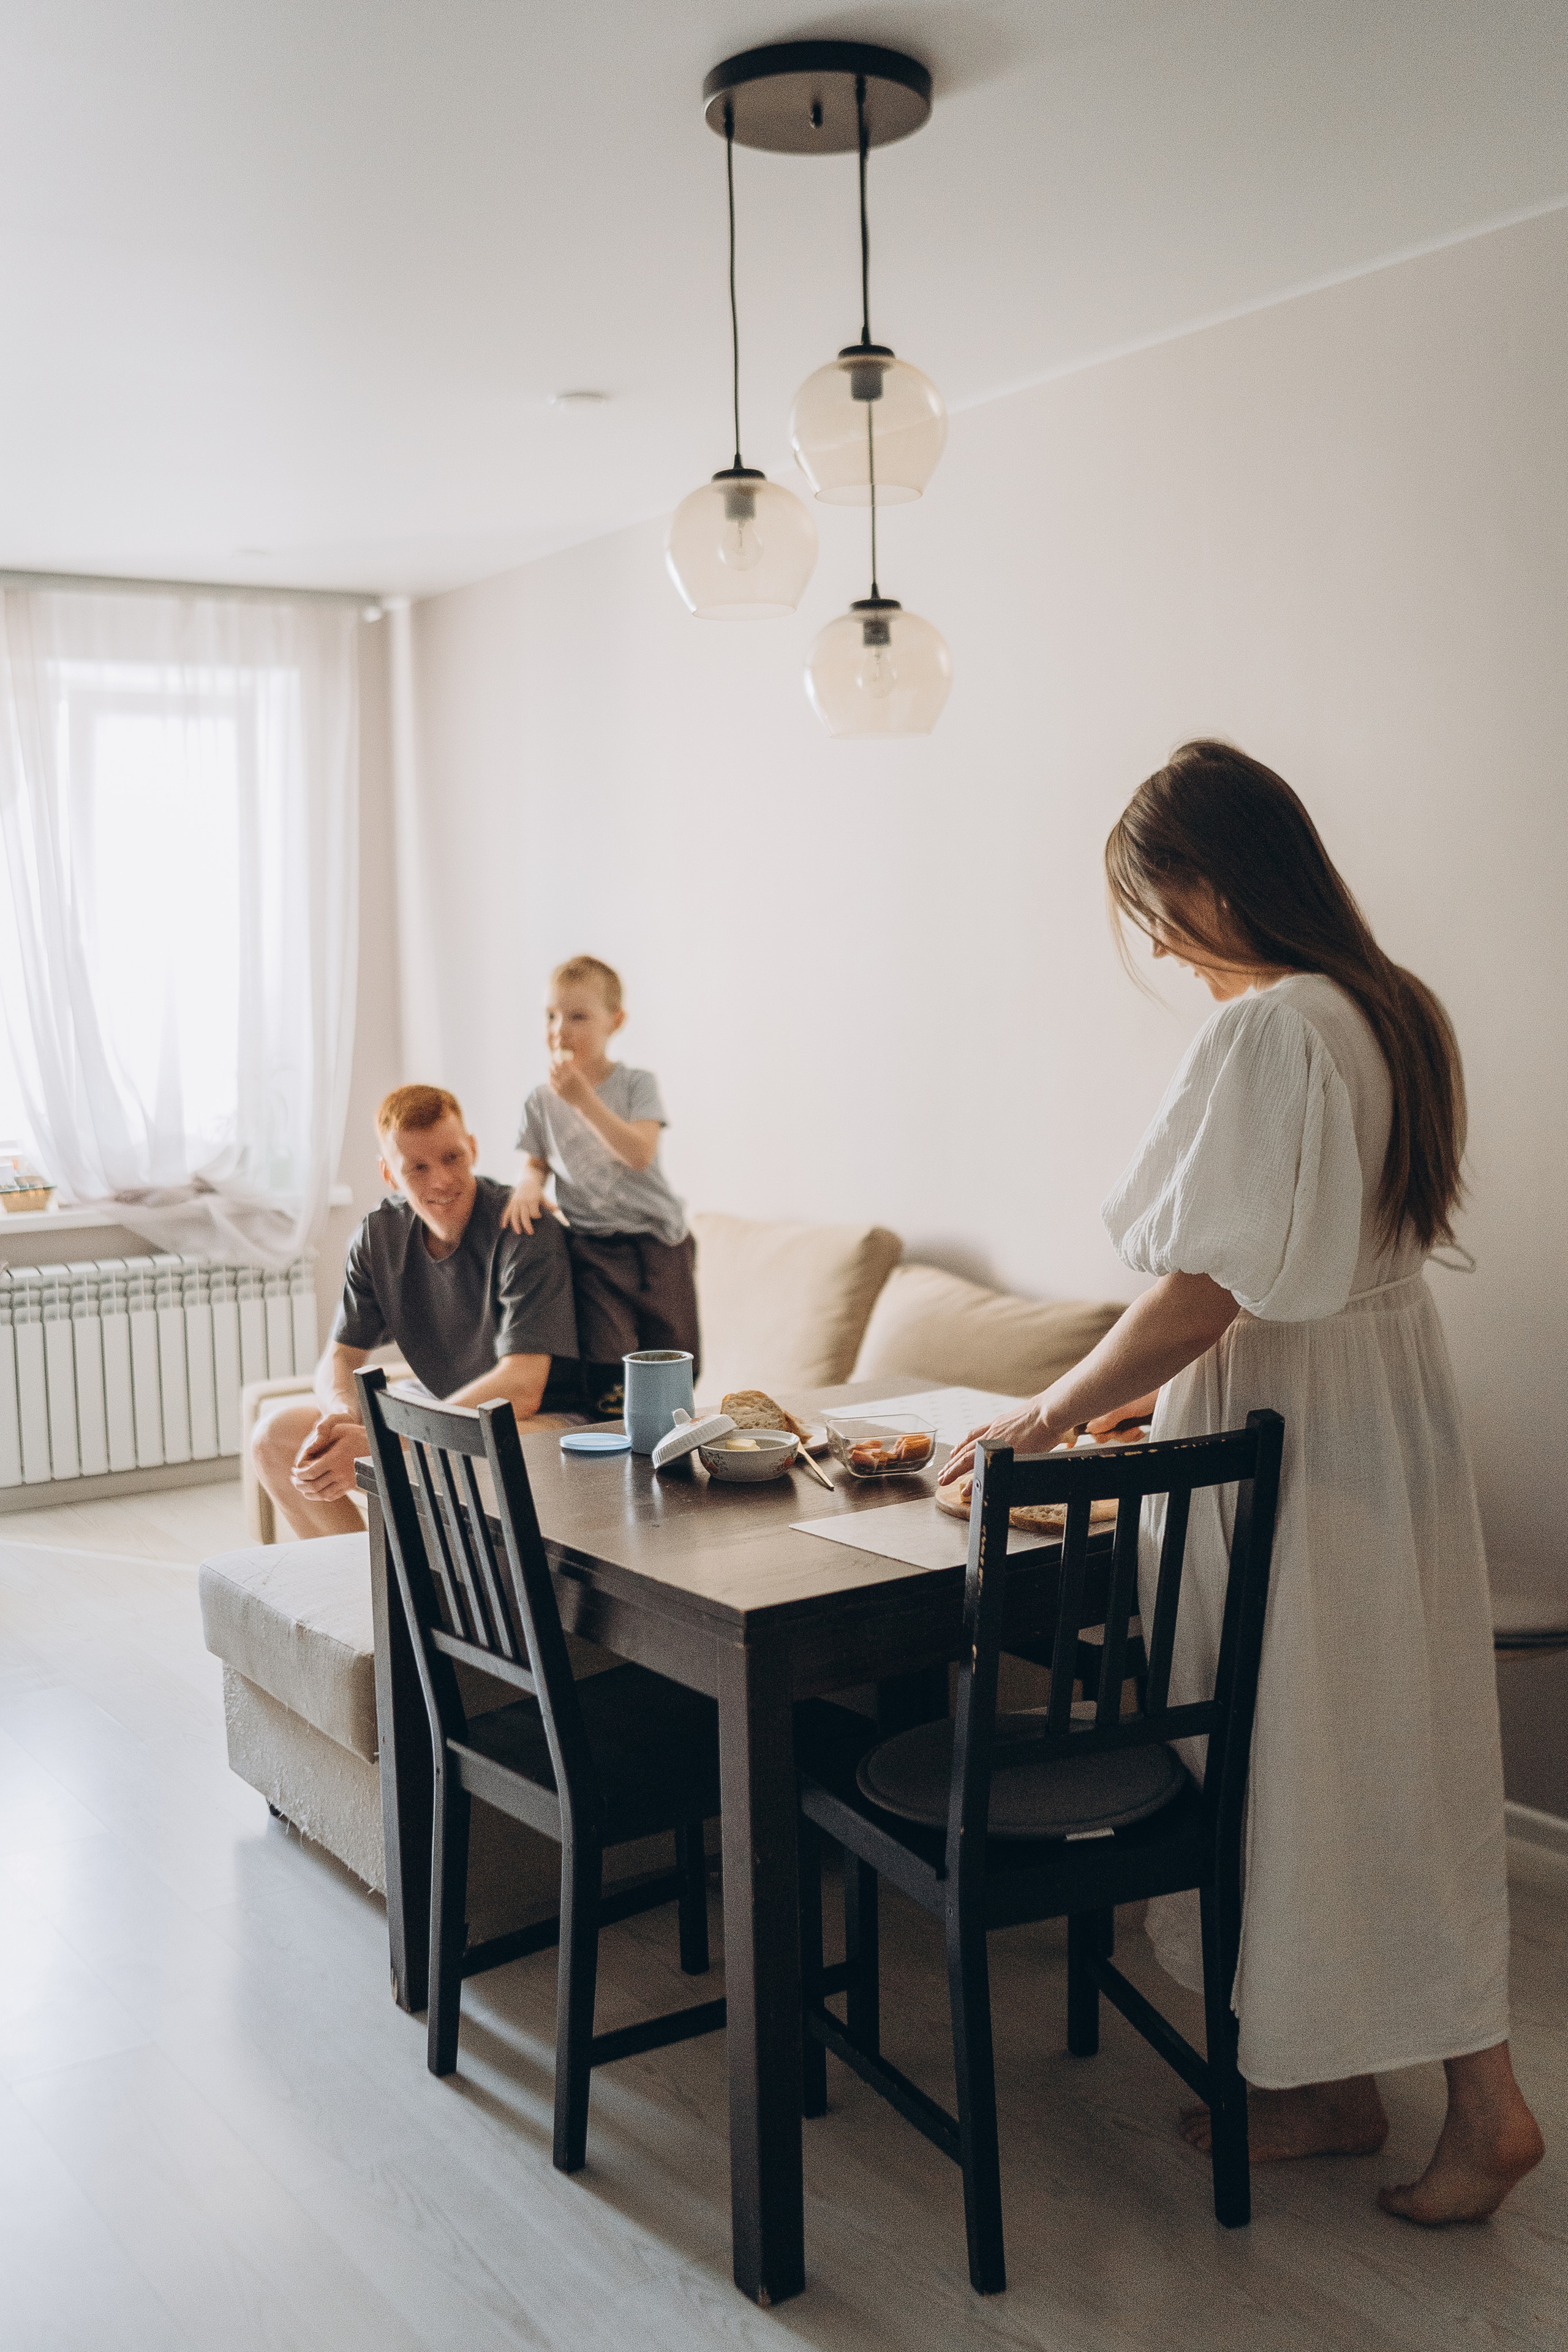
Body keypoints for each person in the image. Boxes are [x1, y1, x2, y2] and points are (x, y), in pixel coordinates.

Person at [940, 740, 1542, 2225]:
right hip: (1377, 1416)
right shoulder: (1387, 1010)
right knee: (1375, 1758)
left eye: (1154, 904)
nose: (1153, 940)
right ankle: (1328, 2082)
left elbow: (1211, 1287)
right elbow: (1289, 1270)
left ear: (1212, 879)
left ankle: (1483, 2105)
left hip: (1297, 1435)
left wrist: (1044, 1413)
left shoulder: (1273, 1027)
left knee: (1314, 1766)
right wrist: (1114, 1406)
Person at [252, 1084, 581, 1540]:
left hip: (539, 1422)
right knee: (275, 1439)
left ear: (473, 1149)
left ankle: (417, 1583)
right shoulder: (379, 1235)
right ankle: (375, 1590)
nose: (441, 1181)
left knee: (465, 1449)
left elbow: (522, 1387)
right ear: (390, 1175)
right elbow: (340, 1358)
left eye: (452, 1158)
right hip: (441, 1407)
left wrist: (392, 1444)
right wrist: (347, 1416)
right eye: (418, 1168)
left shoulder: (523, 1227)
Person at [503, 955, 698, 1420]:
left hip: (656, 1240)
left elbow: (639, 1153)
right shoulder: (540, 1100)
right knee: (608, 1355)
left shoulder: (635, 1085)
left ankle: (673, 1424)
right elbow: (535, 1162)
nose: (560, 1029)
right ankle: (616, 1429)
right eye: (551, 1015)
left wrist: (584, 1101)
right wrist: (528, 1185)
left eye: (578, 1016)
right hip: (593, 1244)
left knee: (671, 1348)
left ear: (616, 1021)